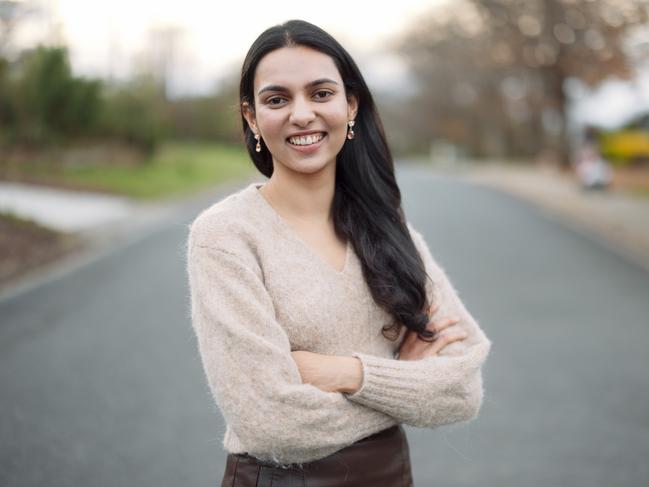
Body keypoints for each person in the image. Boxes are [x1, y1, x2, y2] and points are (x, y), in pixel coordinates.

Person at [185, 19, 492, 487]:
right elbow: (267, 421)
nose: (302, 114)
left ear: (350, 105)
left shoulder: (389, 230)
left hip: (391, 476)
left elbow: (463, 391)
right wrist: (402, 384)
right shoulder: (224, 236)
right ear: (251, 117)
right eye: (277, 99)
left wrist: (348, 373)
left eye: (321, 93)